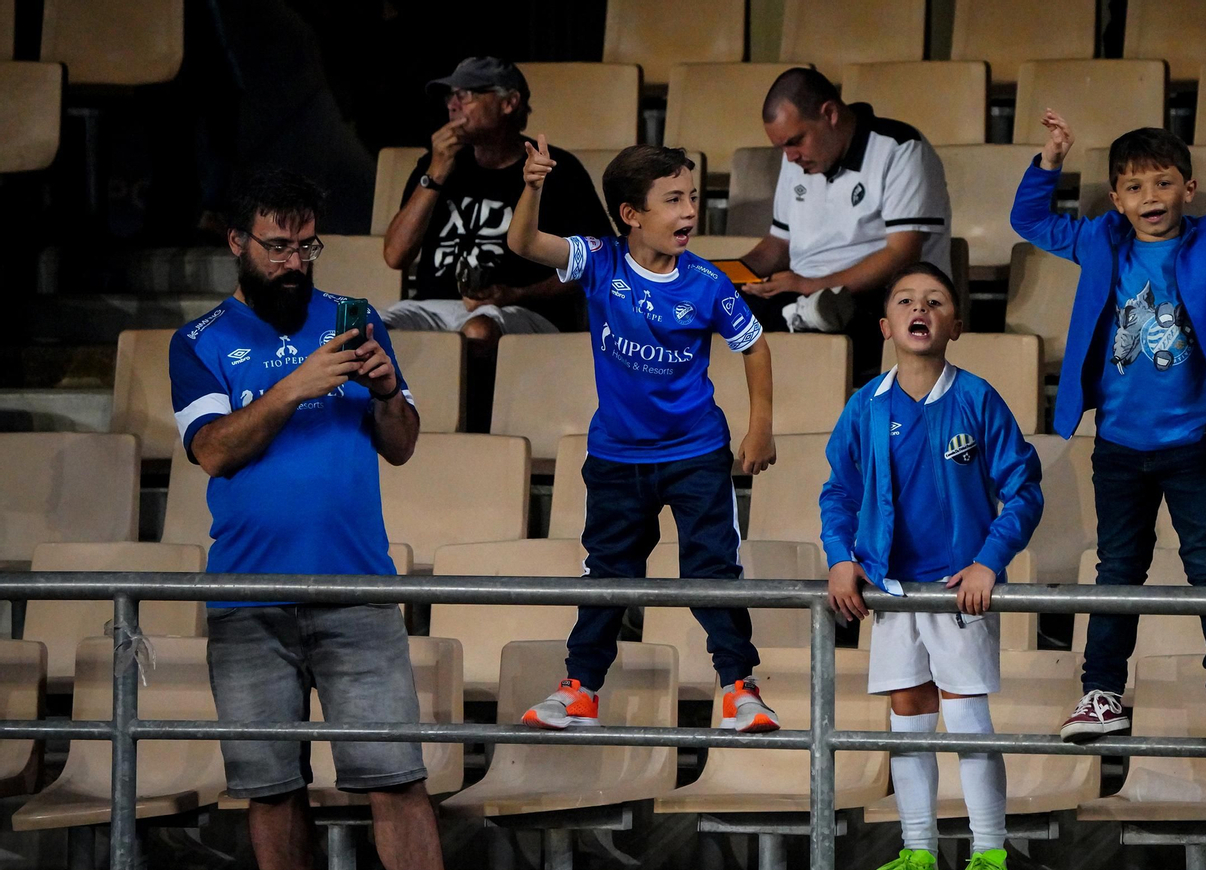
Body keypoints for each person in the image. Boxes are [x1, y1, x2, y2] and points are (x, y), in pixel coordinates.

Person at [168, 170, 444, 870]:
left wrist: (385, 389)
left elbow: (404, 443)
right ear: (238, 243)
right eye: (277, 246)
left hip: (358, 590)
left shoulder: (353, 318)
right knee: (269, 787)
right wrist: (295, 386)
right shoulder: (197, 342)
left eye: (306, 246)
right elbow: (213, 450)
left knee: (396, 777)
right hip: (247, 597)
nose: (294, 262)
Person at [1011, 113, 1206, 749]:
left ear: (1188, 188)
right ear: (1117, 199)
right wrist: (1050, 163)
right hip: (1118, 448)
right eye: (1134, 187)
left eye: (1162, 183)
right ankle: (1102, 694)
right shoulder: (1099, 241)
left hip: (1194, 448)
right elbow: (1030, 222)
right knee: (1118, 569)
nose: (1149, 197)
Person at [505, 138, 783, 733]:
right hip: (615, 456)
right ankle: (580, 690)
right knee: (606, 572)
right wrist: (532, 187)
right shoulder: (599, 260)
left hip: (696, 454)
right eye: (673, 200)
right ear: (631, 215)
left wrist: (760, 427)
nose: (689, 213)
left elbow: (754, 346)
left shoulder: (708, 282)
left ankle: (740, 690)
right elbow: (523, 244)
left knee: (713, 572)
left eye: (693, 198)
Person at [822, 263, 1043, 870]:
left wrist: (989, 561)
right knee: (908, 720)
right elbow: (839, 490)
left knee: (968, 721)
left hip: (957, 595)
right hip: (892, 596)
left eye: (937, 300)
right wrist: (842, 557)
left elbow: (1024, 489)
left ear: (956, 324)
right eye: (907, 301)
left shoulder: (976, 398)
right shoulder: (865, 406)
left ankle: (989, 857)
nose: (922, 308)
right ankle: (918, 855)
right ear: (887, 324)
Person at [381, 56, 611, 343]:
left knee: (478, 331)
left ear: (508, 103)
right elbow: (395, 256)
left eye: (465, 95)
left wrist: (518, 294)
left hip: (524, 311)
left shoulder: (554, 169)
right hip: (434, 307)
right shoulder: (434, 165)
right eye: (451, 96)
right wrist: (436, 173)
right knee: (368, 329)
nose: (453, 105)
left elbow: (598, 262)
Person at [739, 67, 951, 377]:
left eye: (795, 141)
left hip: (880, 296)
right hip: (802, 292)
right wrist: (710, 278)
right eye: (782, 147)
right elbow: (777, 245)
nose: (790, 157)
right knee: (709, 310)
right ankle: (801, 314)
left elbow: (901, 254)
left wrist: (810, 285)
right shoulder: (797, 161)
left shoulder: (900, 147)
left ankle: (807, 314)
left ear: (830, 114)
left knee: (838, 314)